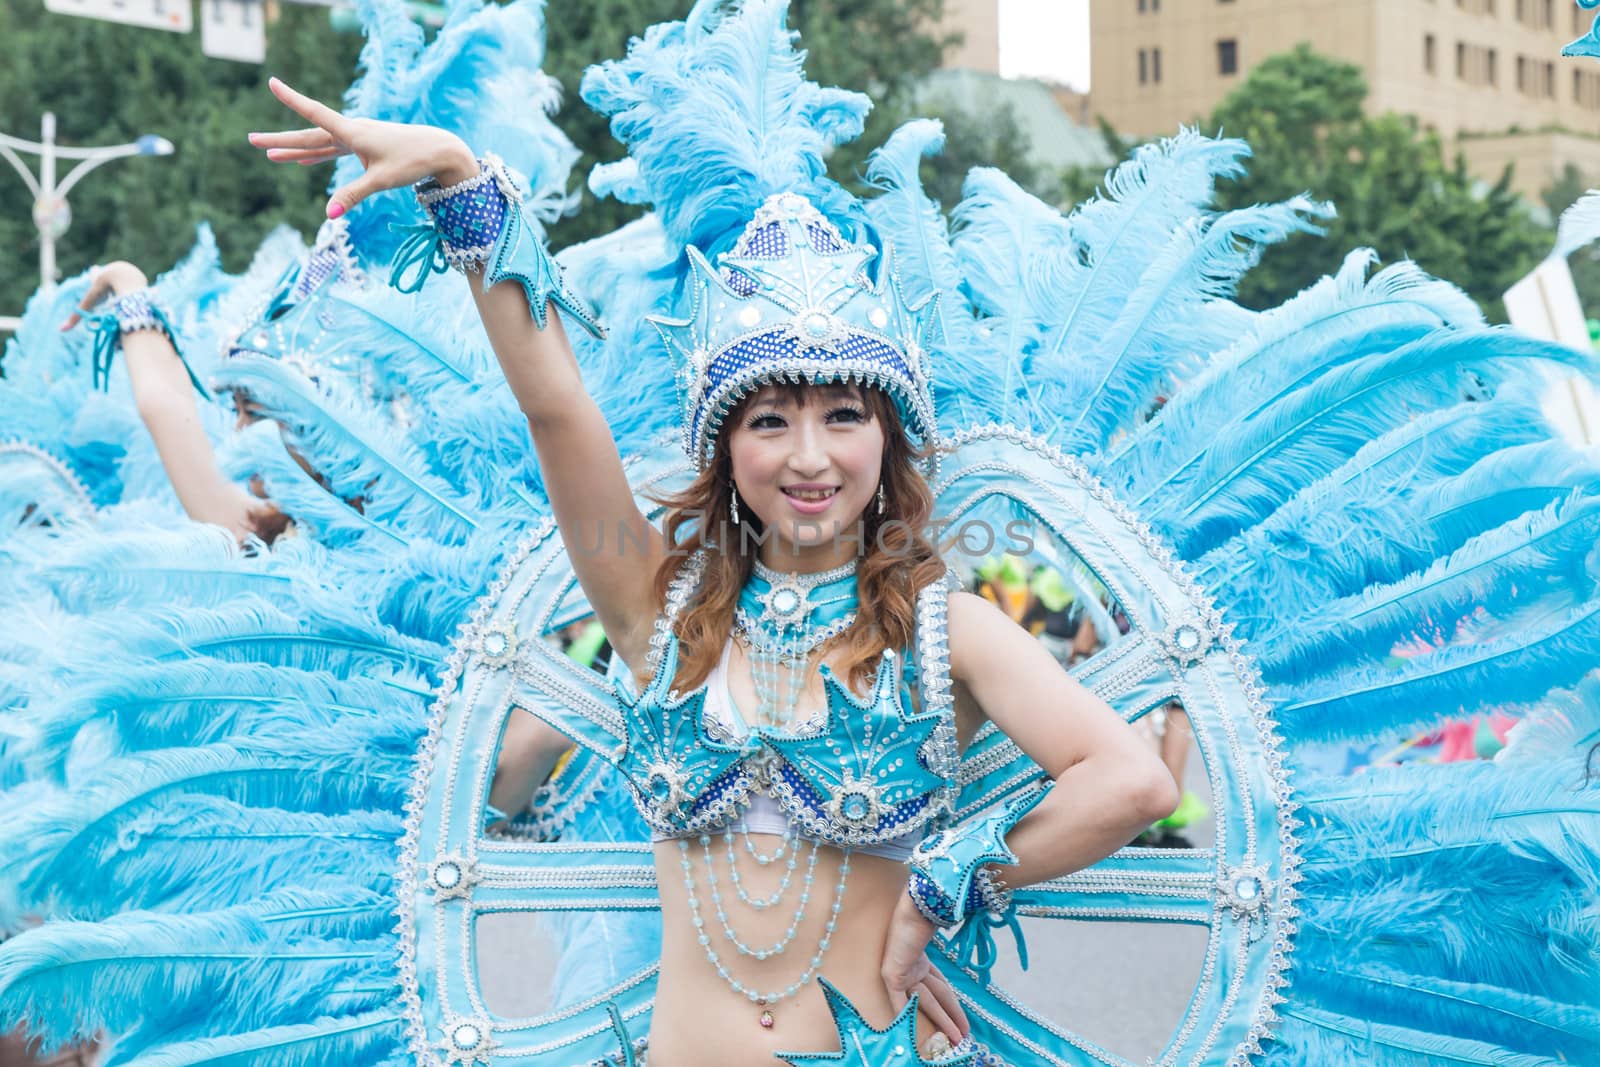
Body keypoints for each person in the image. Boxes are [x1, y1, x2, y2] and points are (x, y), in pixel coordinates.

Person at [251, 78, 1180, 1066]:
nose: (810, 457)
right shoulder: (659, 613)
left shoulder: (939, 632)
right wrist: (457, 173)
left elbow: (1129, 780)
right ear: (725, 448)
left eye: (843, 416)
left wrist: (940, 884)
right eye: (770, 419)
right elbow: (556, 406)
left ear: (888, 441)